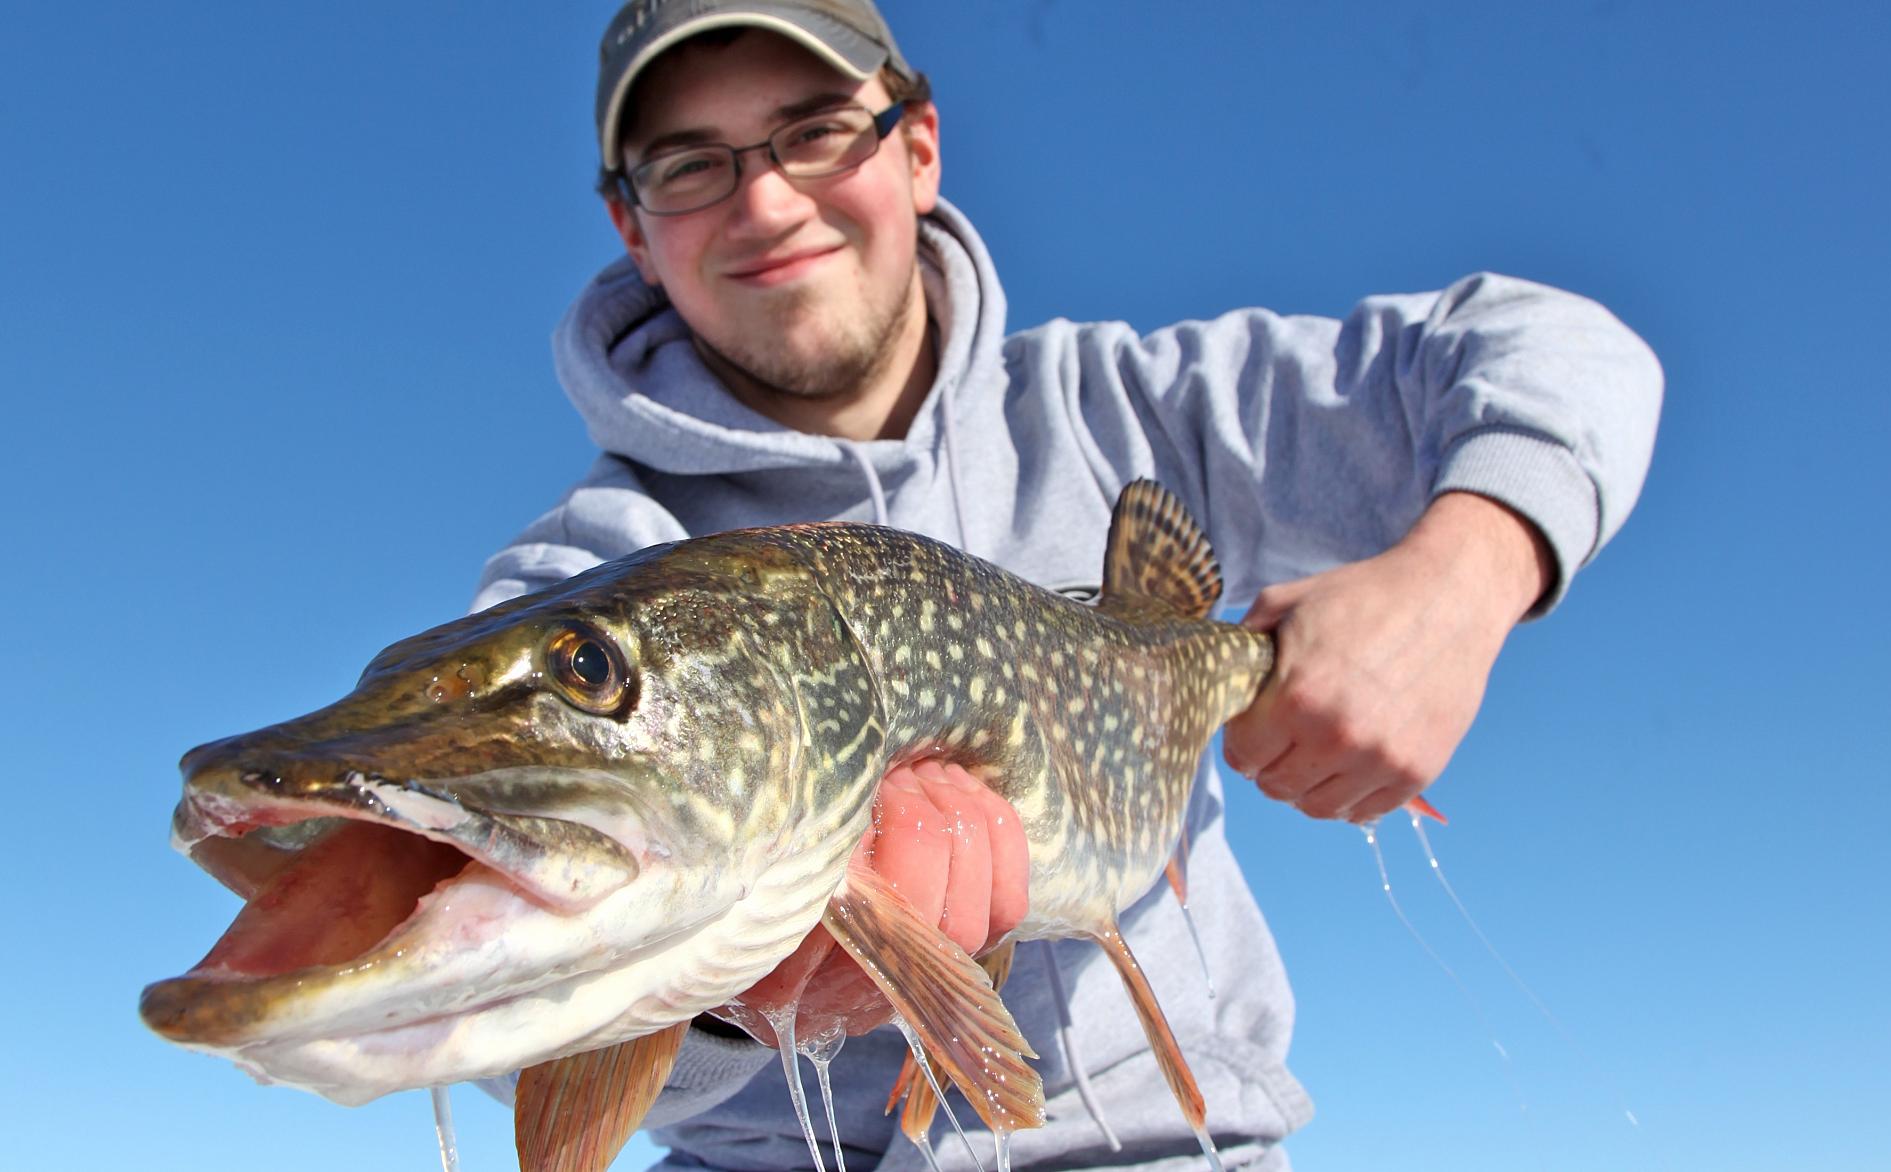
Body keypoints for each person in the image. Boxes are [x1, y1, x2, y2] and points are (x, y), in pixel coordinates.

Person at [470, 2, 1663, 1168]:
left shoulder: (1130, 413)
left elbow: (1563, 346)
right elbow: (478, 981)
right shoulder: (583, 585)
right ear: (632, 228)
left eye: (817, 129)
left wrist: (1466, 572)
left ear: (918, 146)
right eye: (688, 164)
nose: (768, 200)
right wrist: (726, 999)